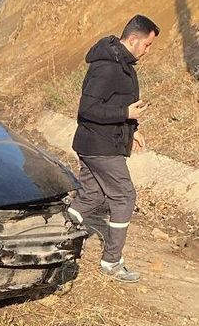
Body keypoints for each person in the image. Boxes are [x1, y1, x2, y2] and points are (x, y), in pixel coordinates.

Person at [67, 14, 160, 283]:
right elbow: (88, 109)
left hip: (99, 141)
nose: (148, 50)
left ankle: (56, 231)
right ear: (133, 39)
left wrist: (133, 129)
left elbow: (118, 105)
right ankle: (112, 261)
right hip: (100, 145)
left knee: (91, 196)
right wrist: (125, 112)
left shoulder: (122, 64)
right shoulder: (108, 67)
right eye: (147, 45)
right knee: (124, 196)